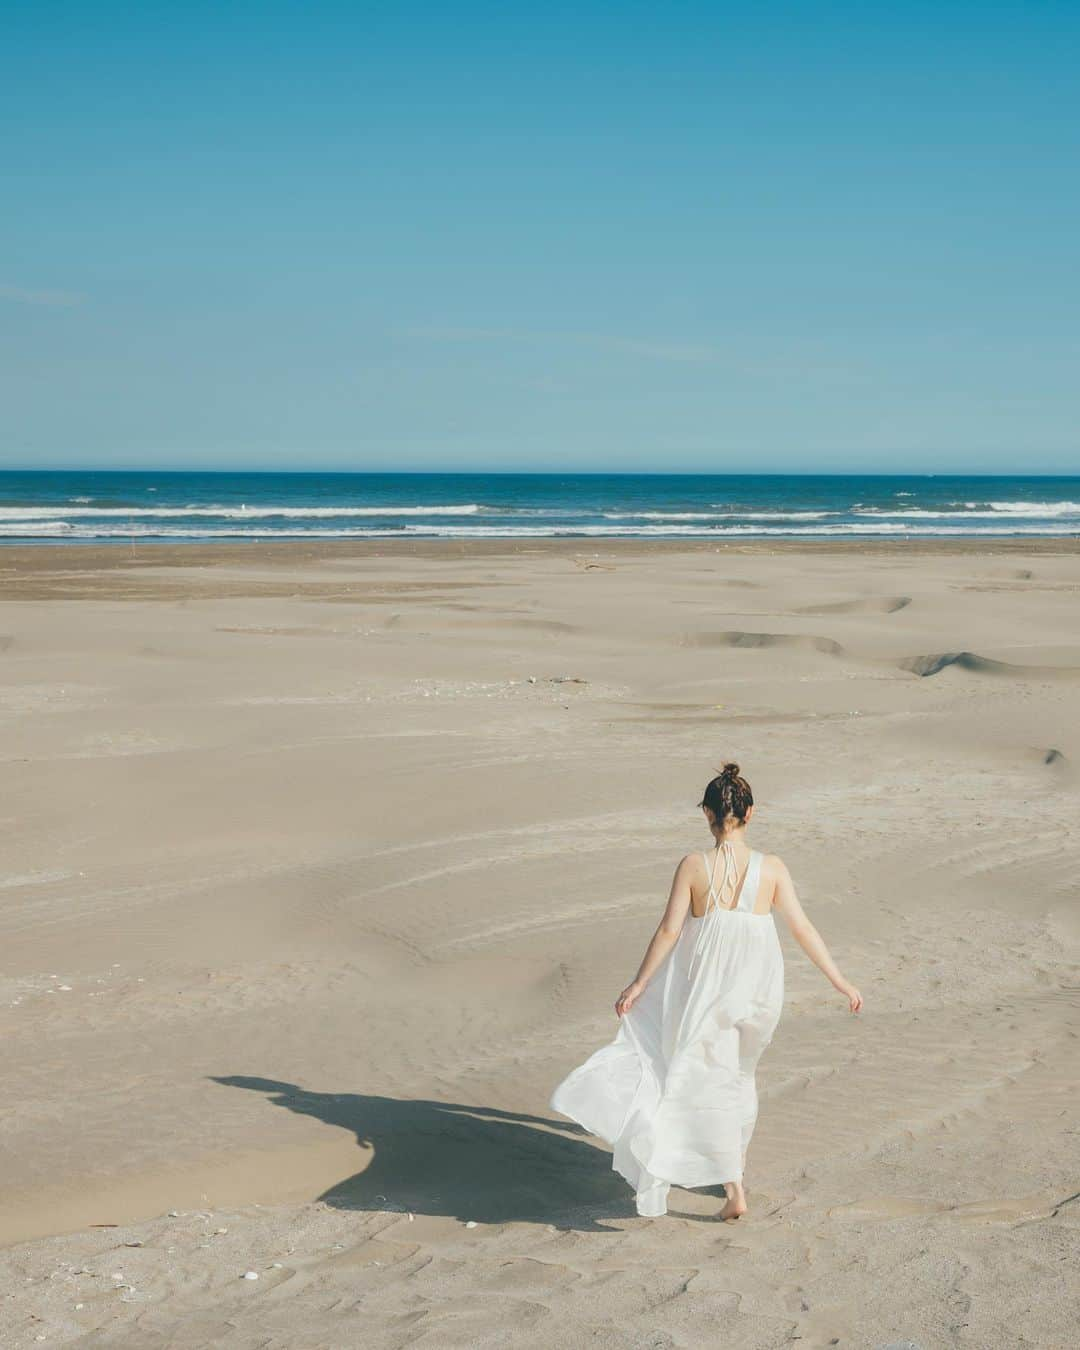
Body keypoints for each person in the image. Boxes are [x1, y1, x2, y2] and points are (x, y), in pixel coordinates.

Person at [550, 762, 862, 1220]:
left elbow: (668, 931)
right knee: (735, 1075)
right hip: (759, 990)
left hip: (709, 989)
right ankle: (729, 1170)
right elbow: (802, 927)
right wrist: (840, 980)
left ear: (707, 815)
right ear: (750, 813)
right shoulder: (772, 869)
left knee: (706, 1075)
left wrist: (639, 984)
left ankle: (733, 1188)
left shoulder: (694, 866)